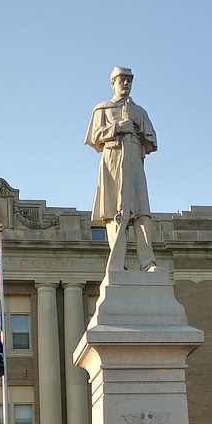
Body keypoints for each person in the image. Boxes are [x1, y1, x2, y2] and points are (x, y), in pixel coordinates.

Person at [85, 66, 159, 274]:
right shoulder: (102, 109)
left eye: (129, 80)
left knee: (142, 213)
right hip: (112, 162)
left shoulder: (140, 111)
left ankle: (148, 262)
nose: (125, 84)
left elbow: (153, 139)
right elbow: (93, 137)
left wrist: (137, 128)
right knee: (114, 214)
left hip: (135, 162)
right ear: (113, 83)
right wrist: (117, 127)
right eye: (121, 80)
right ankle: (119, 263)